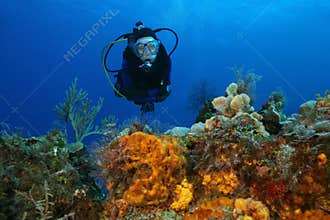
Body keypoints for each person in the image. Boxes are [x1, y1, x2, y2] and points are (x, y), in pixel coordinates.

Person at [102, 22, 178, 114]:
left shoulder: (164, 59)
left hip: (147, 90)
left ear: (157, 47)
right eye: (141, 48)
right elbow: (128, 93)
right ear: (135, 50)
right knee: (119, 92)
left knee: (159, 97)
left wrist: (146, 95)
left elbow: (164, 92)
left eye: (151, 46)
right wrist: (150, 95)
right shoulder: (130, 60)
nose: (147, 52)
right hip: (137, 85)